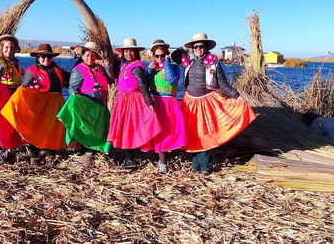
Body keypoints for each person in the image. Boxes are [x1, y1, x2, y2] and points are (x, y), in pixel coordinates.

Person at [173, 33, 256, 174]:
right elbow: (174, 56)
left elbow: (222, 84)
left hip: (206, 102)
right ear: (192, 48)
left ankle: (206, 166)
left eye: (201, 46)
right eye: (196, 46)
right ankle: (196, 164)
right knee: (192, 134)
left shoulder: (213, 62)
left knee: (204, 134)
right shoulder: (188, 61)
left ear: (206, 47)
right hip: (189, 102)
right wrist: (184, 47)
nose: (199, 49)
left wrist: (237, 96)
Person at [1, 43, 69, 165]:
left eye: (49, 57)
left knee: (51, 130)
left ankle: (49, 154)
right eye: (42, 56)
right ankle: (34, 156)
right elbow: (24, 90)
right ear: (37, 57)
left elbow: (73, 79)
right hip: (38, 107)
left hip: (54, 106)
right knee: (35, 130)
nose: (46, 59)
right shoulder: (31, 71)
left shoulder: (59, 71)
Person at [57, 41, 114, 167]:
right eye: (87, 55)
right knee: (87, 129)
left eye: (93, 55)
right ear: (82, 56)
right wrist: (77, 102)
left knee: (97, 130)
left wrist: (107, 66)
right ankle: (86, 153)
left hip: (100, 105)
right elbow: (73, 89)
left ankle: (94, 151)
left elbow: (110, 80)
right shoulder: (78, 70)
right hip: (87, 106)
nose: (90, 57)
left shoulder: (100, 68)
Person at [107, 38, 162, 167]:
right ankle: (128, 157)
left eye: (131, 51)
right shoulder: (125, 65)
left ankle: (130, 158)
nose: (128, 54)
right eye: (126, 51)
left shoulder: (137, 66)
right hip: (122, 101)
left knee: (128, 129)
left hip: (131, 102)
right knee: (124, 128)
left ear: (136, 52)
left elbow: (143, 86)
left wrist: (149, 103)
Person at [145, 39, 188, 173]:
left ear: (166, 55)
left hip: (170, 103)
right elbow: (145, 84)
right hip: (157, 102)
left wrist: (167, 62)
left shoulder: (174, 67)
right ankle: (162, 162)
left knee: (173, 131)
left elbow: (171, 79)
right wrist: (149, 71)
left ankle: (172, 153)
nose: (159, 59)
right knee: (159, 133)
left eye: (162, 55)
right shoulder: (152, 69)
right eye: (156, 56)